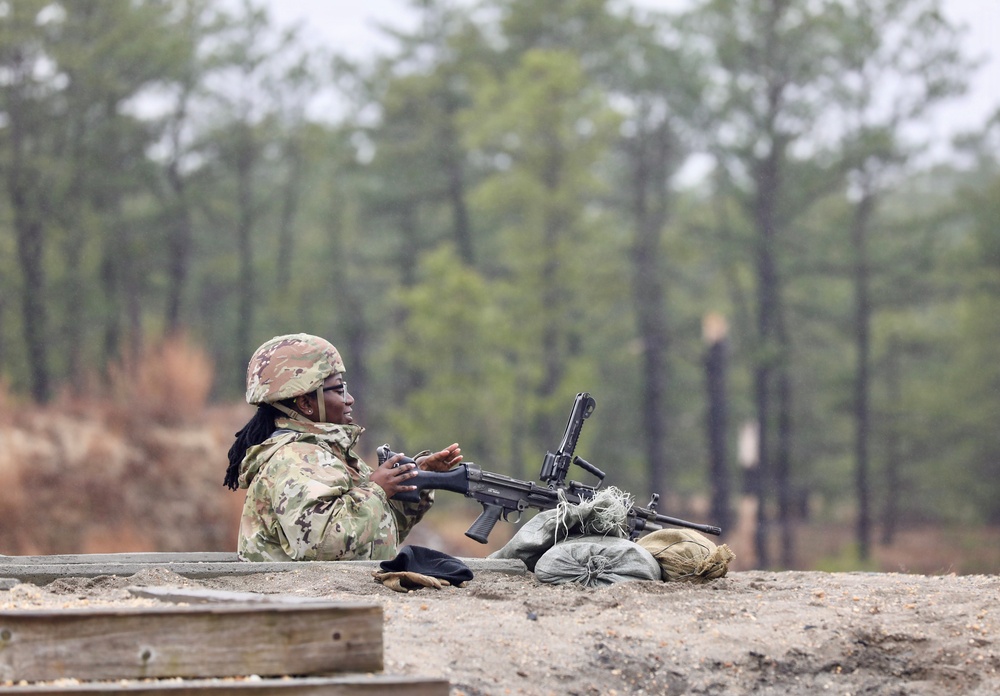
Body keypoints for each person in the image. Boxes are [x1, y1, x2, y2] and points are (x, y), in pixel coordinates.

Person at [224, 333, 462, 561]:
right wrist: (377, 490)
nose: (349, 399)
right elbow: (324, 543)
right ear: (306, 403)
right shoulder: (296, 459)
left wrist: (416, 479)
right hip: (305, 599)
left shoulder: (325, 453)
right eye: (339, 390)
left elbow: (374, 531)